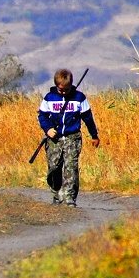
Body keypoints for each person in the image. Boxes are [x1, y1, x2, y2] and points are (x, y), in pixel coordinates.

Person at [37, 68, 100, 207]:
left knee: (71, 166)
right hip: (54, 139)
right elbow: (42, 116)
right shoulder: (49, 98)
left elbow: (88, 118)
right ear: (56, 86)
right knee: (54, 167)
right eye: (61, 90)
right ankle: (56, 195)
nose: (64, 92)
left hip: (73, 137)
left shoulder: (79, 98)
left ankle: (70, 197)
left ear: (71, 84)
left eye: (67, 89)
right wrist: (48, 129)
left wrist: (94, 135)